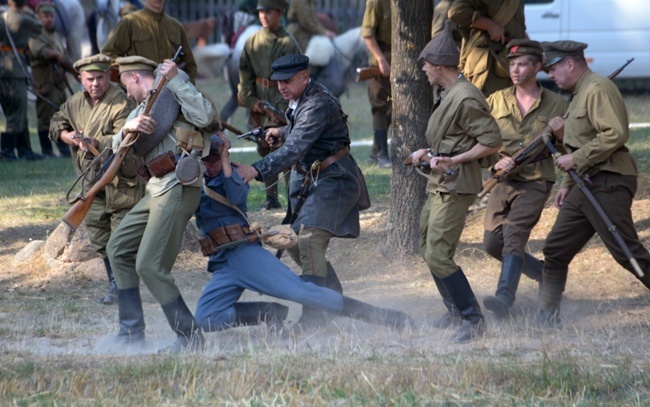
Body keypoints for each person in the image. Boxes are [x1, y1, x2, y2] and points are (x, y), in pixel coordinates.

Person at [193, 132, 412, 334]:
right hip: (222, 261)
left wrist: (223, 160)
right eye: (205, 159)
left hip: (245, 256)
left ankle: (387, 317)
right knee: (206, 317)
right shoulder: (198, 182)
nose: (208, 164)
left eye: (213, 158)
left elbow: (234, 196)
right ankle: (270, 312)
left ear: (224, 154)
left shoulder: (234, 174)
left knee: (303, 293)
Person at [237, 54, 362, 330]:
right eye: (278, 81)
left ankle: (314, 320)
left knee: (308, 243)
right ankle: (334, 301)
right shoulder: (302, 98)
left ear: (304, 78)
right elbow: (300, 131)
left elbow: (295, 149)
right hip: (317, 179)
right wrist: (281, 131)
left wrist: (256, 169)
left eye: (288, 81)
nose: (281, 86)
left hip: (335, 179)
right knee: (294, 243)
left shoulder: (316, 102)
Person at [105, 55, 217, 353]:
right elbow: (117, 147)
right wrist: (128, 127)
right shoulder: (143, 110)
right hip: (156, 189)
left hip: (178, 187)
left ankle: (190, 337)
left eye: (126, 83)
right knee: (117, 248)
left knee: (150, 266)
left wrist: (178, 78)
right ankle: (131, 332)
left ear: (137, 78)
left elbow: (206, 116)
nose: (126, 92)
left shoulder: (175, 93)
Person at [538, 40, 650, 326]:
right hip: (585, 184)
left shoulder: (597, 88)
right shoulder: (578, 95)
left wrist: (575, 161)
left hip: (609, 179)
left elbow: (615, 134)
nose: (550, 74)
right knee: (555, 249)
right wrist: (565, 183)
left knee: (627, 251)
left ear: (570, 63)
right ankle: (546, 318)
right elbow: (578, 145)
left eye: (552, 68)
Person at [407, 22, 501, 343]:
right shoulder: (448, 94)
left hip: (456, 184)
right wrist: (430, 152)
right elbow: (455, 138)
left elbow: (490, 142)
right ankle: (454, 312)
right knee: (426, 245)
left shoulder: (465, 98)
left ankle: (473, 319)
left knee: (438, 253)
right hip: (439, 181)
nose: (422, 69)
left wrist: (454, 160)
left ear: (439, 66)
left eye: (426, 64)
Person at [481, 39, 568, 318]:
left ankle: (504, 297)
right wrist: (496, 162)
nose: (515, 70)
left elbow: (570, 150)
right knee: (493, 243)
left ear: (538, 66)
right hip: (502, 179)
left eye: (522, 64)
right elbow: (481, 141)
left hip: (535, 179)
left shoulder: (555, 104)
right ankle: (542, 274)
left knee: (514, 232)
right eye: (512, 64)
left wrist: (562, 133)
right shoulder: (495, 101)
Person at [49, 54, 141, 305]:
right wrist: (70, 137)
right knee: (101, 238)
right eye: (89, 79)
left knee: (121, 239)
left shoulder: (121, 102)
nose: (95, 84)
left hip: (120, 181)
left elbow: (126, 137)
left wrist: (94, 143)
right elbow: (56, 123)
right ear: (80, 79)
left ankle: (127, 291)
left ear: (109, 77)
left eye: (101, 78)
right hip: (91, 184)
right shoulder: (75, 103)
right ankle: (115, 285)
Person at [238, 0, 301, 210]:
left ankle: (293, 198)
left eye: (269, 12)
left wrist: (286, 107)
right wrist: (251, 101)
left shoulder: (288, 43)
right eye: (261, 12)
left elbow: (295, 77)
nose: (264, 16)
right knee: (264, 148)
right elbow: (244, 74)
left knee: (286, 152)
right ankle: (271, 198)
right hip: (259, 105)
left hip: (282, 104)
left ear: (280, 13)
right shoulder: (252, 42)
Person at [101, 0, 198, 84]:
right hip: (139, 92)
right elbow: (108, 54)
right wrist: (129, 74)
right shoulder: (130, 23)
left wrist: (185, 88)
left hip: (171, 90)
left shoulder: (176, 27)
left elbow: (190, 65)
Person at [448, 0, 527, 97]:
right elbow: (457, 12)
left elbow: (517, 26)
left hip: (510, 64)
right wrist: (490, 26)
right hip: (489, 70)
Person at [0, 0, 44, 161]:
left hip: (3, 68)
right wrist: (31, 13)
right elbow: (39, 28)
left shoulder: (2, 17)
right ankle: (7, 151)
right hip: (15, 70)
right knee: (17, 111)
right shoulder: (23, 19)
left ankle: (24, 149)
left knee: (16, 111)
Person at [28, 1, 71, 158]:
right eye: (45, 16)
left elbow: (65, 57)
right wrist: (54, 55)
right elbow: (40, 51)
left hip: (58, 84)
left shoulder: (56, 36)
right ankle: (47, 151)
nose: (49, 19)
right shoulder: (35, 35)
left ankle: (64, 149)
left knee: (62, 118)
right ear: (38, 18)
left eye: (51, 16)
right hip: (45, 84)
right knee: (45, 119)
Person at [360, 0, 391, 168]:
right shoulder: (376, 1)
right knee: (380, 108)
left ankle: (375, 153)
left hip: (403, 63)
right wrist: (381, 59)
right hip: (381, 62)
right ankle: (382, 156)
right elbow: (367, 34)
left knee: (394, 111)